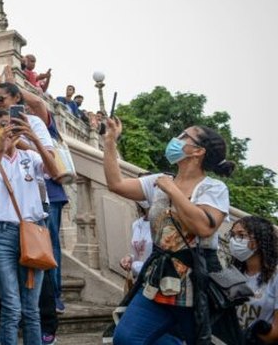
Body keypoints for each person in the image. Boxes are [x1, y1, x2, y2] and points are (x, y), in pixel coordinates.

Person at [104, 118, 240, 345]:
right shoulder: (157, 181)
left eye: (183, 136)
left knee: (199, 339)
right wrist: (109, 143)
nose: (175, 140)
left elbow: (204, 227)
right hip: (158, 275)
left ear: (198, 151)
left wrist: (172, 190)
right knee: (126, 338)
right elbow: (116, 184)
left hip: (196, 280)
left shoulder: (213, 188)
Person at [0, 109, 62, 345]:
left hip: (33, 231)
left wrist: (33, 139)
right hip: (0, 233)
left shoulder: (29, 157)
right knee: (11, 304)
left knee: (32, 308)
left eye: (12, 124)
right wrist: (0, 151)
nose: (8, 129)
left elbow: (56, 173)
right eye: (2, 125)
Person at [231, 216, 278, 344]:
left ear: (260, 241)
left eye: (241, 235)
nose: (234, 240)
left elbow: (275, 334)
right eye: (232, 235)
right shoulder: (232, 273)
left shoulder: (275, 278)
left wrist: (251, 337)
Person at [120, 203, 153, 281]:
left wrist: (135, 266)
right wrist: (130, 258)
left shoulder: (160, 225)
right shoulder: (136, 224)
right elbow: (139, 254)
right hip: (140, 280)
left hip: (153, 280)